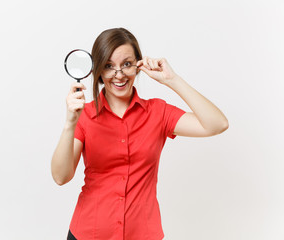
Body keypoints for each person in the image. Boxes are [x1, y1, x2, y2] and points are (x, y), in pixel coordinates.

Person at [51, 28, 228, 240]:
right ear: (97, 71)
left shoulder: (158, 112)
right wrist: (70, 123)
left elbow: (217, 124)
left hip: (143, 234)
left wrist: (172, 80)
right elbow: (61, 177)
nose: (119, 74)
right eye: (108, 66)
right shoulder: (85, 115)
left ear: (138, 65)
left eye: (126, 64)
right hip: (89, 233)